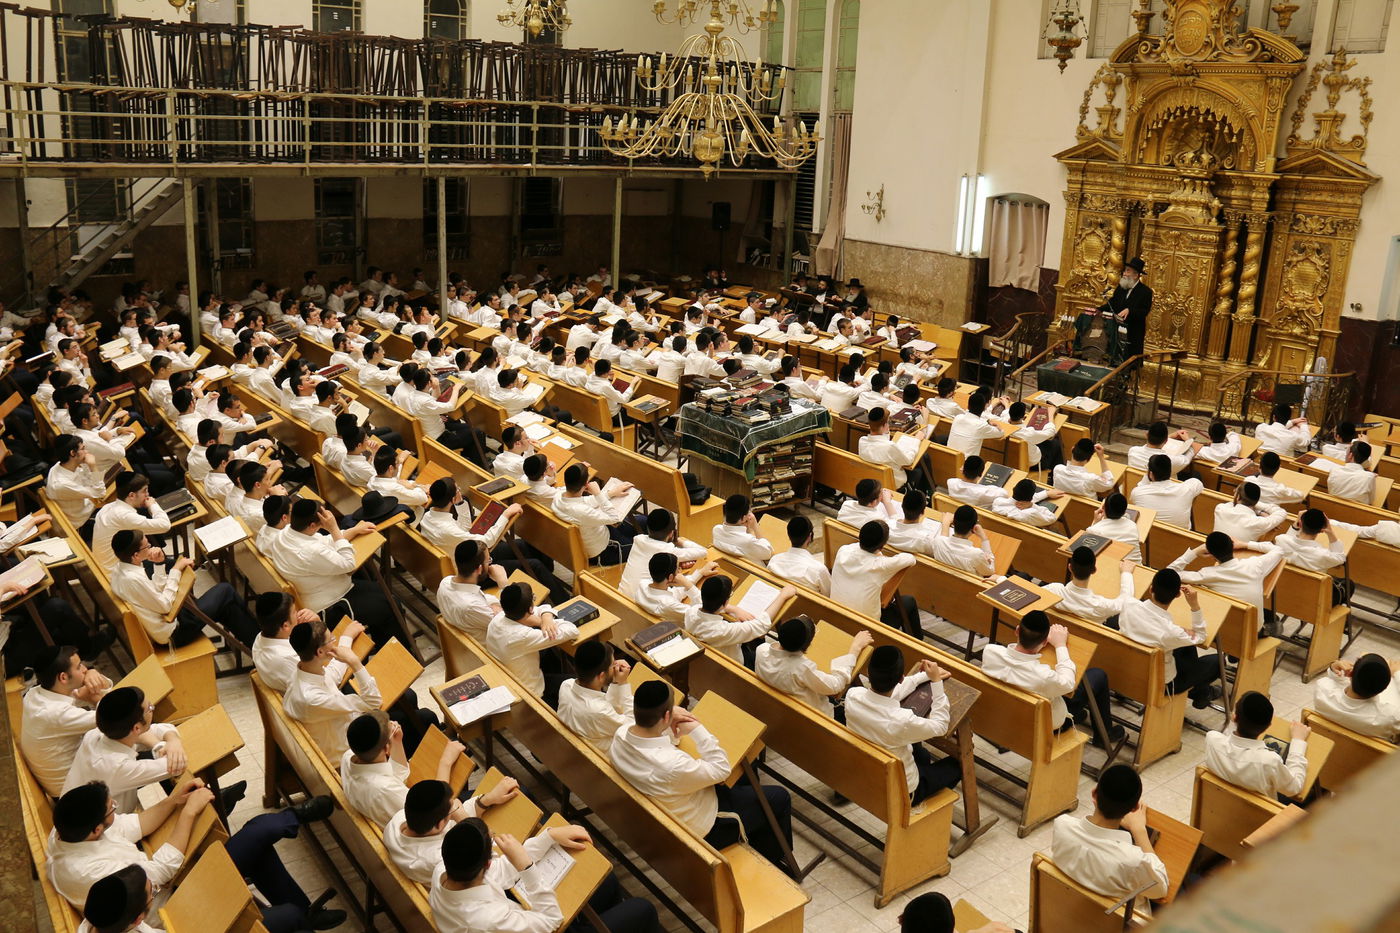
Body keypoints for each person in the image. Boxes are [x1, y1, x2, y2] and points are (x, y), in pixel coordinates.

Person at [48, 780, 342, 931]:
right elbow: (161, 872)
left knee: (258, 844)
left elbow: (136, 824)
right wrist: (188, 813)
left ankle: (306, 912)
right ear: (95, 829)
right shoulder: (91, 871)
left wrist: (176, 800)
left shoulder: (67, 830)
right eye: (111, 808)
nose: (116, 808)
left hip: (163, 892)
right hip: (174, 905)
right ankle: (294, 819)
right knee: (259, 834)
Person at [609, 681, 795, 876]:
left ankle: (758, 838)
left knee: (745, 775)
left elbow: (667, 740)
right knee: (778, 797)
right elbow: (722, 768)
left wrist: (667, 724)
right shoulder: (673, 765)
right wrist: (698, 729)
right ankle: (777, 863)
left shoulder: (622, 733)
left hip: (670, 802)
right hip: (705, 828)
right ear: (666, 715)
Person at [266, 500, 400, 646]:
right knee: (391, 604)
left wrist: (353, 531)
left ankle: (382, 644)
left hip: (326, 590)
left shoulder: (285, 533)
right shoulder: (310, 552)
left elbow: (324, 541)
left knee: (382, 592)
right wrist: (334, 527)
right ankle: (396, 656)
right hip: (330, 606)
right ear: (312, 526)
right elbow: (348, 564)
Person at [983, 609, 1123, 746]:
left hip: (1000, 711)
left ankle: (1079, 714)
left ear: (1017, 630)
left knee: (1070, 691)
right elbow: (1068, 683)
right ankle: (1105, 735)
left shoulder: (990, 651)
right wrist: (1060, 645)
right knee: (1098, 675)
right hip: (1039, 724)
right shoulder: (1043, 676)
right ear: (1045, 642)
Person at [342, 709, 500, 828]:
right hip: (433, 824)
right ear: (385, 750)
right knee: (505, 791)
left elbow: (400, 775)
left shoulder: (349, 756)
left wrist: (396, 742)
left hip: (406, 812)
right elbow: (435, 808)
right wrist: (445, 761)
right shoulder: (385, 790)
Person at [845, 645, 961, 804]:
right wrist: (936, 683)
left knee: (922, 753)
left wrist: (923, 677)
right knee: (958, 765)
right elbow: (940, 726)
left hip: (869, 770)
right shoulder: (901, 720)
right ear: (901, 678)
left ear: (869, 674)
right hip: (902, 790)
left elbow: (889, 695)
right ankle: (921, 807)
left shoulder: (853, 695)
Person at [109, 530, 258, 648]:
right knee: (226, 590)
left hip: (170, 619)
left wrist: (160, 564)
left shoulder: (120, 569)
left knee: (227, 608)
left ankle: (258, 645)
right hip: (174, 632)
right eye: (147, 546)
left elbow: (155, 592)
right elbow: (165, 605)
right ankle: (261, 642)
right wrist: (175, 570)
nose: (151, 548)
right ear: (136, 555)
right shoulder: (132, 579)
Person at [61, 687, 197, 814]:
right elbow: (177, 765)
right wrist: (164, 744)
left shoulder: (97, 734)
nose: (152, 709)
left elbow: (159, 729)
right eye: (150, 708)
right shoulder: (116, 767)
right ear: (136, 728)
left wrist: (173, 741)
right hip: (103, 830)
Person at [1051, 765, 1168, 904]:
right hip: (1116, 924)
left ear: (1094, 794)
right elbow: (1161, 889)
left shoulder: (1061, 825)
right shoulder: (1131, 861)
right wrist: (1139, 831)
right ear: (1134, 807)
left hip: (1066, 913)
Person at [1118, 569, 1221, 709]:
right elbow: (1201, 636)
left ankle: (1200, 694)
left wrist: (1127, 573)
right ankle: (1199, 693)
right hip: (1161, 684)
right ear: (1178, 595)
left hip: (1127, 669)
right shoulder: (1171, 632)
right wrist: (1194, 605)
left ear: (1151, 589)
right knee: (1217, 661)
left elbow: (1126, 592)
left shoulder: (1128, 606)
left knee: (1186, 646)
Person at [281, 619, 384, 759]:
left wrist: (346, 639)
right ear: (320, 652)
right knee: (411, 716)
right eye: (331, 640)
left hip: (343, 729)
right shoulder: (311, 698)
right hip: (348, 753)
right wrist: (355, 662)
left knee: (407, 702)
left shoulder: (303, 670)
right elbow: (373, 702)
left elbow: (333, 673)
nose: (334, 642)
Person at [20, 645, 112, 796]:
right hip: (77, 791)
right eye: (79, 667)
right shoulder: (57, 714)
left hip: (69, 775)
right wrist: (97, 694)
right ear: (63, 677)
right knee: (135, 739)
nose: (85, 669)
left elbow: (83, 693)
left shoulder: (34, 693)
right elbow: (114, 714)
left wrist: (93, 676)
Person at [756, 617, 871, 719]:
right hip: (812, 715)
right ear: (806, 645)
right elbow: (836, 685)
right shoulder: (801, 668)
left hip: (779, 707)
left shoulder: (761, 650)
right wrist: (855, 648)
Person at [1169, 531, 1283, 632]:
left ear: (1212, 555)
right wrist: (1245, 544)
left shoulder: (1207, 574)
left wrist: (1194, 552)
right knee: (1273, 618)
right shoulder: (1255, 565)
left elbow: (1168, 573)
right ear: (1232, 547)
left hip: (1222, 631)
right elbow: (1278, 550)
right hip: (1253, 631)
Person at [1204, 691, 1310, 799]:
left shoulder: (1212, 740)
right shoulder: (1269, 761)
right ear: (1268, 726)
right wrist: (1298, 741)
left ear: (1234, 717)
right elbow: (1294, 788)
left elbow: (1228, 734)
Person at [485, 582, 577, 703]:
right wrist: (542, 621)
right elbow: (572, 630)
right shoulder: (523, 636)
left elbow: (542, 608)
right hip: (532, 693)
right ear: (530, 609)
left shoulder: (499, 617)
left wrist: (546, 618)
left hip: (512, 676)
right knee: (578, 681)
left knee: (549, 654)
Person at [831, 520, 920, 637]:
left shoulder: (843, 550)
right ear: (882, 546)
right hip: (867, 630)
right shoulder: (880, 565)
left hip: (835, 618)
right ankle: (918, 645)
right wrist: (879, 554)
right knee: (909, 601)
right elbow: (910, 559)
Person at [683, 574, 791, 667]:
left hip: (711, 655)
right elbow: (761, 625)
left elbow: (699, 604)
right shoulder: (724, 630)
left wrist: (734, 609)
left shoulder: (691, 612)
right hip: (734, 661)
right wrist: (782, 596)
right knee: (761, 641)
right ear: (725, 602)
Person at [556, 640, 635, 755]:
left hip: (576, 748)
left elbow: (605, 704)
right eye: (613, 665)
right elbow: (633, 727)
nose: (615, 667)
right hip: (608, 756)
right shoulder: (598, 711)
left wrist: (616, 683)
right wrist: (623, 684)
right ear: (601, 675)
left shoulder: (566, 685)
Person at [553, 462, 638, 565]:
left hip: (599, 533)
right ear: (586, 485)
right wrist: (597, 493)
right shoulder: (582, 511)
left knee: (638, 525)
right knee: (637, 548)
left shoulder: (558, 496)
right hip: (602, 550)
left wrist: (610, 493)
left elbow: (585, 501)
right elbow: (615, 518)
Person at [91, 472, 171, 577]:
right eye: (144, 491)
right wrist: (153, 505)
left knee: (165, 560)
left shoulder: (108, 507)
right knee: (176, 566)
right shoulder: (124, 516)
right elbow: (165, 525)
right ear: (132, 495)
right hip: (120, 574)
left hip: (109, 566)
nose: (148, 495)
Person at [618, 508, 709, 600]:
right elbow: (703, 552)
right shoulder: (667, 549)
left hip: (622, 597)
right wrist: (678, 542)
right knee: (687, 584)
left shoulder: (638, 539)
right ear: (671, 533)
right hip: (644, 603)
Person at [1044, 547, 1137, 628]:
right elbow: (1125, 602)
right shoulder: (1100, 605)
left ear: (1070, 567)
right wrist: (1126, 573)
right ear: (1094, 570)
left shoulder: (1053, 590)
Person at [1314, 653, 1400, 739]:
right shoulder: (1391, 717)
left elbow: (1334, 682)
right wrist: (1397, 673)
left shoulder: (1322, 689)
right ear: (1384, 688)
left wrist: (1333, 666)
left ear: (1350, 674)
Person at [859, 407, 934, 490]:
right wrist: (917, 440)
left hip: (872, 478)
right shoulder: (889, 447)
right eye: (888, 422)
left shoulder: (862, 441)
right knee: (922, 462)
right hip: (892, 482)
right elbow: (908, 460)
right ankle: (927, 493)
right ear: (884, 425)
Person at [1094, 256, 1152, 362]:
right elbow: (1112, 303)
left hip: (1132, 334)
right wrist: (1099, 309)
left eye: (1128, 271)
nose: (1124, 273)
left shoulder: (1145, 292)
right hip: (1116, 332)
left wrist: (1130, 311)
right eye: (1125, 270)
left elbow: (1144, 311)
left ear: (1136, 275)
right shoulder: (1121, 288)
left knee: (1128, 364)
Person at [1130, 454, 1203, 529]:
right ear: (1170, 471)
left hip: (1149, 535)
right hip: (1180, 537)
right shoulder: (1186, 489)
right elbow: (1197, 482)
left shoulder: (1137, 492)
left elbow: (1141, 487)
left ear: (1151, 474)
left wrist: (1147, 474)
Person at [932, 505, 999, 578]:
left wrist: (946, 523)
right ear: (974, 527)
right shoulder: (976, 554)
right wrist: (984, 538)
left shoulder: (938, 542)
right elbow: (990, 571)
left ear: (953, 523)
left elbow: (943, 539)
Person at [710, 494, 774, 562]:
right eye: (749, 512)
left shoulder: (716, 529)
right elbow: (769, 553)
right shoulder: (748, 541)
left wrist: (748, 529)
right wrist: (755, 526)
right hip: (752, 571)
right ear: (743, 518)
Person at [1084, 493, 1144, 563]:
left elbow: (1086, 549)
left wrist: (1095, 522)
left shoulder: (1095, 530)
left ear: (1103, 508)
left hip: (1112, 567)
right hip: (1136, 566)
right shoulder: (1132, 525)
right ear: (1125, 511)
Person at [946, 392, 1006, 458]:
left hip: (950, 458)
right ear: (984, 408)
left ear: (968, 406)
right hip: (967, 465)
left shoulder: (958, 417)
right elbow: (1001, 433)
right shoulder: (981, 425)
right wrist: (996, 424)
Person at [885, 489, 942, 557]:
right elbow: (940, 550)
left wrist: (887, 502)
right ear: (922, 512)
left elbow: (894, 519)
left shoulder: (887, 528)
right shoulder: (924, 540)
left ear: (902, 506)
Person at [1127, 421, 1198, 475]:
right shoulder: (1168, 460)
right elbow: (1187, 458)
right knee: (1195, 475)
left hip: (1135, 488)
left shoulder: (1133, 451)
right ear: (1166, 441)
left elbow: (1147, 446)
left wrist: (1170, 436)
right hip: (1158, 490)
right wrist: (1188, 440)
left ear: (1146, 435)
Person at [991, 478, 1066, 529]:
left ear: (1014, 489)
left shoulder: (998, 502)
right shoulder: (1030, 513)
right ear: (1032, 496)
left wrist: (1045, 494)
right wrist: (1031, 505)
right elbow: (1052, 517)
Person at [836, 478, 900, 527]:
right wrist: (887, 503)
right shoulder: (877, 519)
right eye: (881, 493)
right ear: (873, 502)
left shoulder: (846, 504)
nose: (883, 494)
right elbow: (897, 526)